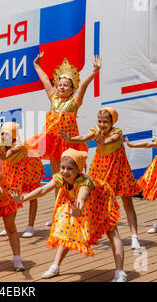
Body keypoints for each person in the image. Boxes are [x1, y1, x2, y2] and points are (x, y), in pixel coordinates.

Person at [10, 149, 126, 282]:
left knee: (112, 232)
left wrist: (78, 210)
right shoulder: (61, 177)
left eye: (70, 169)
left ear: (78, 169)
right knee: (66, 230)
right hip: (78, 205)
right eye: (63, 167)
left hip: (100, 200)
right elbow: (43, 189)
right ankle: (55, 266)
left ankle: (120, 272)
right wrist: (23, 198)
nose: (65, 171)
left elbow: (82, 197)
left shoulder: (84, 182)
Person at [25, 53, 101, 226]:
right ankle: (59, 213)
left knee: (73, 179)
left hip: (69, 144)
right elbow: (45, 79)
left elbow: (84, 84)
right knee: (57, 179)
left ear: (71, 88)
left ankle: (77, 210)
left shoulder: (75, 101)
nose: (61, 87)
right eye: (60, 84)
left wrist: (94, 71)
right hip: (53, 142)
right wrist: (36, 65)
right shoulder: (53, 98)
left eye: (66, 85)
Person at [59, 107, 142, 249]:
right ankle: (90, 233)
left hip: (118, 168)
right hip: (101, 166)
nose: (102, 124)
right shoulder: (96, 131)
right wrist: (71, 139)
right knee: (93, 198)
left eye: (105, 122)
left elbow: (112, 139)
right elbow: (84, 137)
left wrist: (105, 141)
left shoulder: (117, 131)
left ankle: (134, 236)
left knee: (127, 201)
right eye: (100, 121)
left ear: (112, 122)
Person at [0, 122, 44, 238]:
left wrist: (5, 155)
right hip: (12, 170)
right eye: (2, 134)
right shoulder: (2, 144)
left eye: (7, 135)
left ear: (13, 136)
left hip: (29, 169)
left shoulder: (18, 144)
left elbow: (12, 151)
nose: (3, 137)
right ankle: (11, 225)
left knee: (32, 195)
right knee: (11, 196)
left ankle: (30, 226)